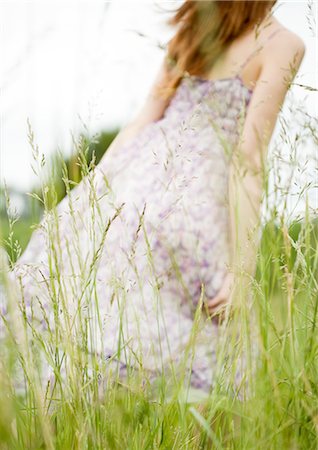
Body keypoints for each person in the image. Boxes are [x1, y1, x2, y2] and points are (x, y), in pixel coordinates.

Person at [1, 0, 305, 400]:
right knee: (211, 358)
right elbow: (248, 159)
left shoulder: (194, 27)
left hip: (139, 186)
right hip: (200, 206)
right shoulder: (284, 44)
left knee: (112, 320)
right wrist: (241, 268)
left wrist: (89, 194)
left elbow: (145, 116)